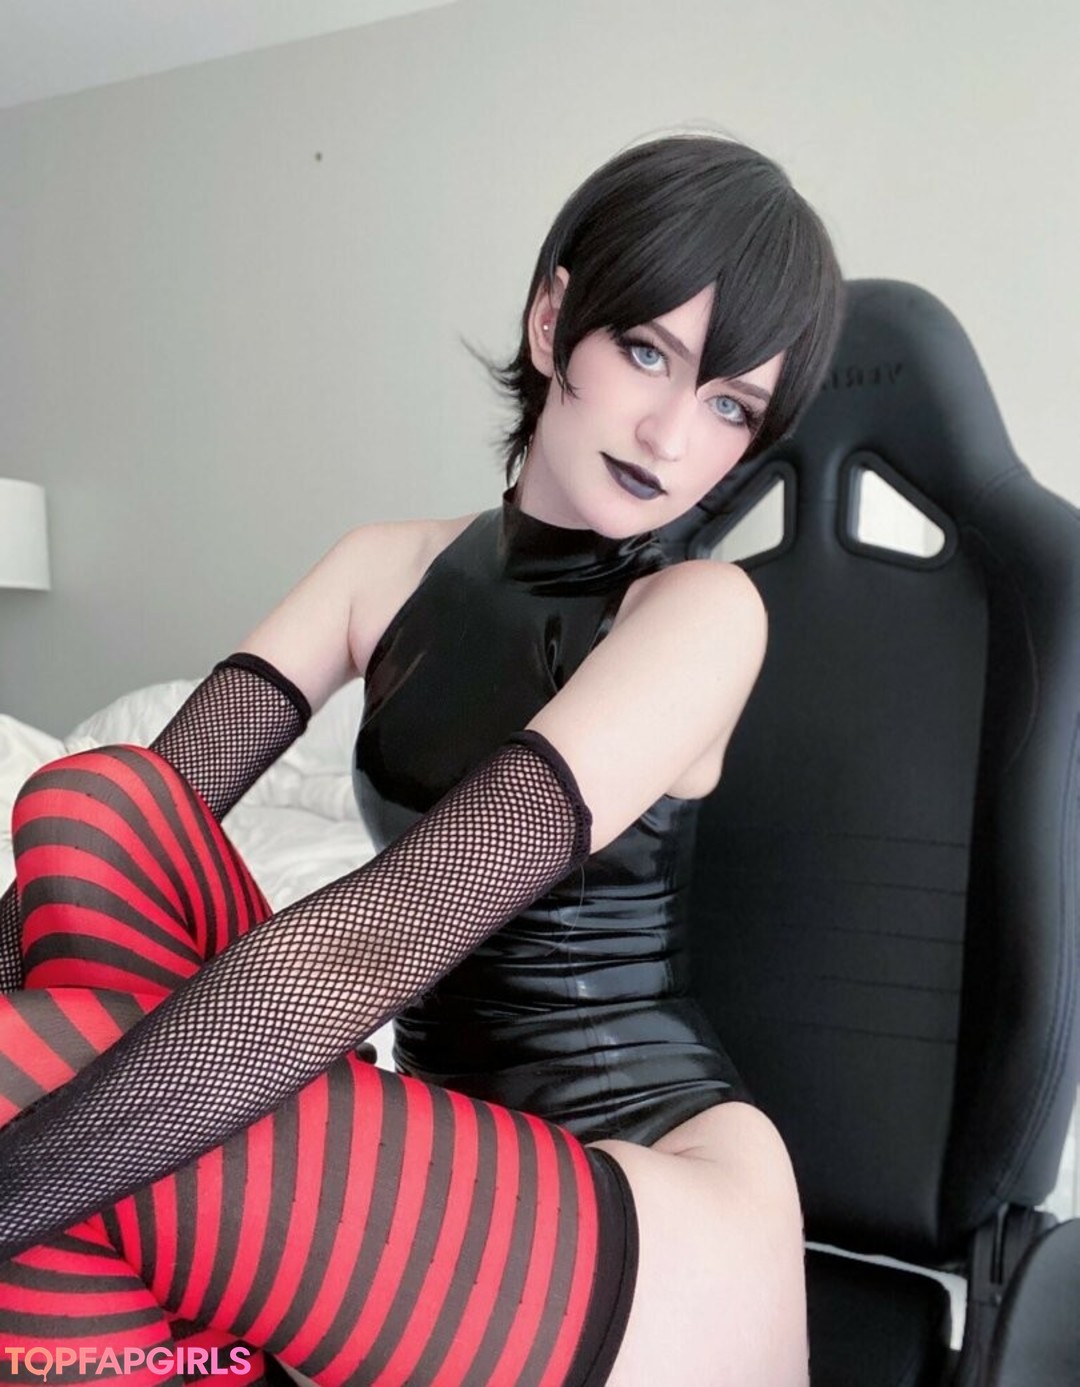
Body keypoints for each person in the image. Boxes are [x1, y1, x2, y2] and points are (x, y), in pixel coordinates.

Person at [0, 133, 843, 1386]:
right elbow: (134, 830)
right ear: (555, 320)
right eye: (647, 351)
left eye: (730, 406)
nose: (672, 433)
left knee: (44, 1111)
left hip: (650, 1197)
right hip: (443, 1135)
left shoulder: (701, 614)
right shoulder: (380, 567)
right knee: (90, 804)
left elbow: (380, 938)